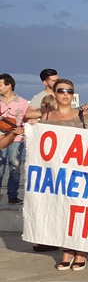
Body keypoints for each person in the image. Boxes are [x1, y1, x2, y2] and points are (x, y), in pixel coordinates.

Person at [40, 79, 88, 271]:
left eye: (69, 91)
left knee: (79, 212)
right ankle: (67, 249)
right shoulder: (46, 116)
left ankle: (81, 251)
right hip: (55, 173)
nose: (65, 94)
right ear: (54, 93)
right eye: (61, 91)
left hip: (80, 173)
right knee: (61, 213)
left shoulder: (82, 116)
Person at [0, 73, 29, 205]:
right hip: (0, 137)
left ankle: (12, 196)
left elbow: (28, 119)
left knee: (15, 166)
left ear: (9, 85)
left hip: (16, 138)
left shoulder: (22, 102)